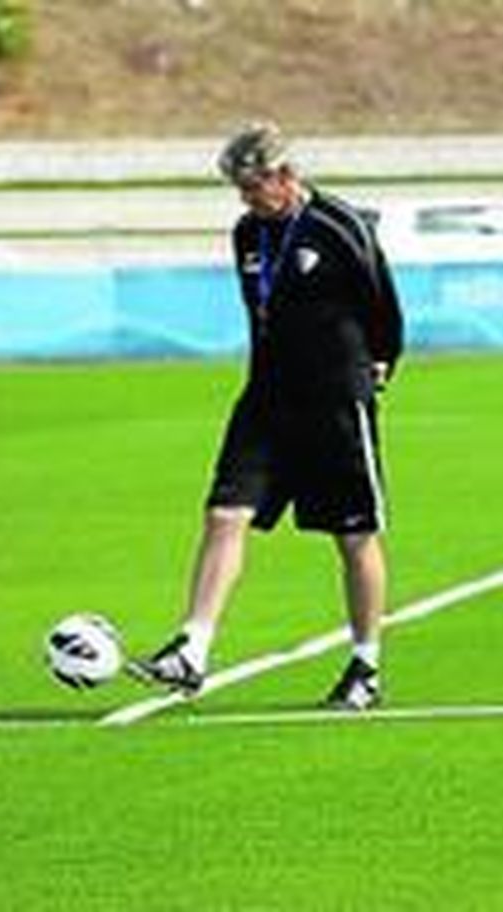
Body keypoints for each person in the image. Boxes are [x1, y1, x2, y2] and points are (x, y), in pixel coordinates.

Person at [129, 122, 404, 711]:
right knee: (224, 514)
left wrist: (381, 361)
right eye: (240, 190)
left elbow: (382, 303)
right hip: (267, 400)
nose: (246, 199)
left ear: (285, 175)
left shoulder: (340, 226)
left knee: (353, 535)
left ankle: (365, 665)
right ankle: (192, 648)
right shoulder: (247, 234)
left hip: (335, 401)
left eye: (253, 187)